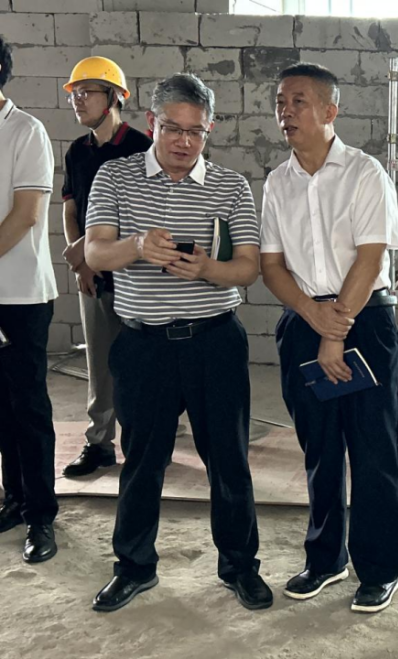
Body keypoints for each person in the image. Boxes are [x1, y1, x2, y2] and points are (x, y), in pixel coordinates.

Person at [84, 73, 272, 613]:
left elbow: (248, 268)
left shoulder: (230, 186)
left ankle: (240, 566)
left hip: (215, 342)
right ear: (152, 123)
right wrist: (138, 246)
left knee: (229, 460)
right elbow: (94, 254)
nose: (184, 142)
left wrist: (208, 270)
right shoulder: (115, 177)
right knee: (143, 460)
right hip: (143, 345)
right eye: (173, 128)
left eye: (196, 131)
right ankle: (134, 566)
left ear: (209, 130)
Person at [260, 63, 398, 614]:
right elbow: (272, 266)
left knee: (373, 449)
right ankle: (325, 559)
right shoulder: (277, 183)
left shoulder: (365, 173)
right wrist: (312, 317)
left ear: (330, 110)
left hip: (364, 322)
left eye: (298, 101)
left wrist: (335, 330)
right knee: (319, 449)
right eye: (280, 102)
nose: (286, 111)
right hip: (305, 323)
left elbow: (370, 258)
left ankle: (379, 568)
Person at [60, 56, 152, 478]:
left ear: (113, 97)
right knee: (99, 365)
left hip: (136, 276)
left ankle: (148, 440)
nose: (78, 101)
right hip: (94, 278)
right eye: (74, 94)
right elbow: (71, 208)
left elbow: (142, 216)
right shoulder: (76, 152)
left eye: (86, 93)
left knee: (138, 366)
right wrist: (81, 261)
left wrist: (88, 250)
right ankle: (99, 443)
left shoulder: (141, 148)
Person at [0, 34, 59, 563]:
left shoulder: (26, 131)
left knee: (29, 407)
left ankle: (41, 514)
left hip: (20, 296)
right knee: (1, 407)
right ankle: (14, 498)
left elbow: (26, 215)